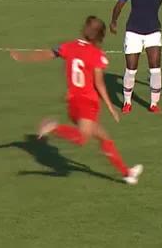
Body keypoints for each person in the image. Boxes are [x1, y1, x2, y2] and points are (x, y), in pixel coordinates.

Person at [9, 16, 144, 185]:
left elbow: (47, 54)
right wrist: (111, 107)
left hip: (73, 103)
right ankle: (54, 127)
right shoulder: (97, 55)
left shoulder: (68, 47)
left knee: (103, 137)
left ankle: (127, 173)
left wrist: (23, 57)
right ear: (99, 36)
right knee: (82, 139)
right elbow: (99, 84)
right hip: (86, 103)